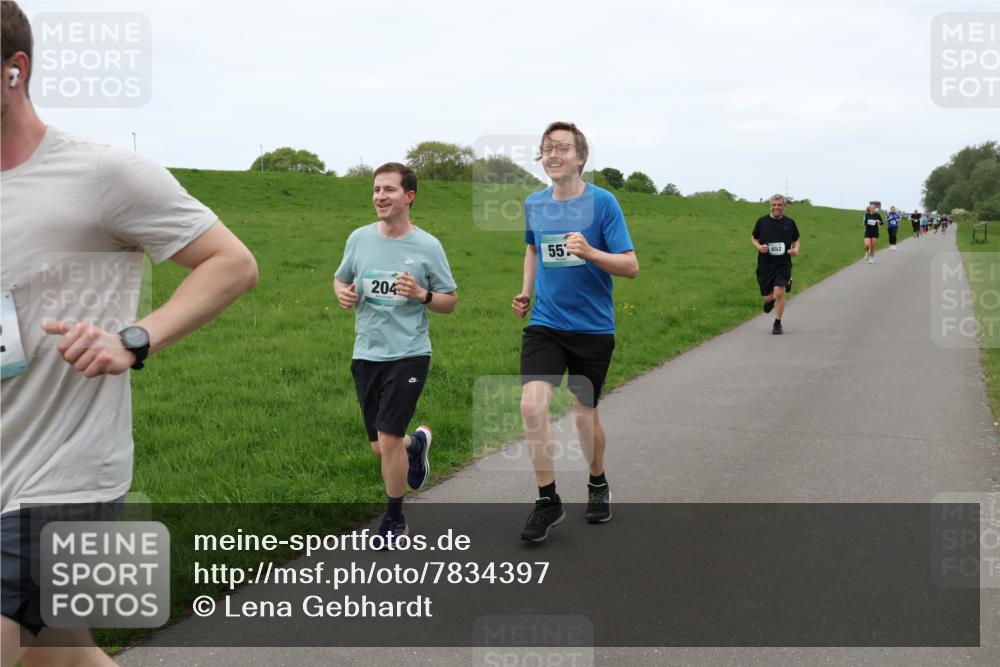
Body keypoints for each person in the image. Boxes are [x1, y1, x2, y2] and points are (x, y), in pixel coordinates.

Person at [0, 2, 259, 664]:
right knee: (61, 655)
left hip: (63, 477)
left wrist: (134, 337)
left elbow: (231, 263)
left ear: (14, 70)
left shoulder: (100, 174)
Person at [511, 122, 638, 543]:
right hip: (545, 323)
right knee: (531, 407)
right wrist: (526, 291)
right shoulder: (535, 203)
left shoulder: (603, 203)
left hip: (593, 328)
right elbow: (533, 248)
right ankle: (547, 499)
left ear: (581, 157)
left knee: (585, 417)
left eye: (562, 148)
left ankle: (597, 480)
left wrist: (591, 251)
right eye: (547, 148)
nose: (553, 155)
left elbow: (630, 266)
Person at [333, 162, 457, 542]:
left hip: (409, 352)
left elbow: (449, 301)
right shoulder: (359, 239)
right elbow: (340, 278)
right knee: (380, 446)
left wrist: (421, 294)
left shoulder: (428, 246)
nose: (380, 196)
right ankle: (415, 446)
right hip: (366, 352)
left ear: (409, 196)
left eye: (388, 189)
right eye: (376, 189)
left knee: (387, 440)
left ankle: (394, 519)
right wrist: (342, 294)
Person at [751, 194, 801, 335]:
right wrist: (759, 247)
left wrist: (796, 250)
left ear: (784, 206)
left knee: (779, 293)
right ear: (770, 206)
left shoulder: (790, 223)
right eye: (774, 205)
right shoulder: (762, 221)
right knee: (768, 298)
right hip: (765, 265)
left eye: (779, 205)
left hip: (783, 264)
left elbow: (796, 240)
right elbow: (754, 238)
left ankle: (777, 323)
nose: (776, 207)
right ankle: (782, 288)